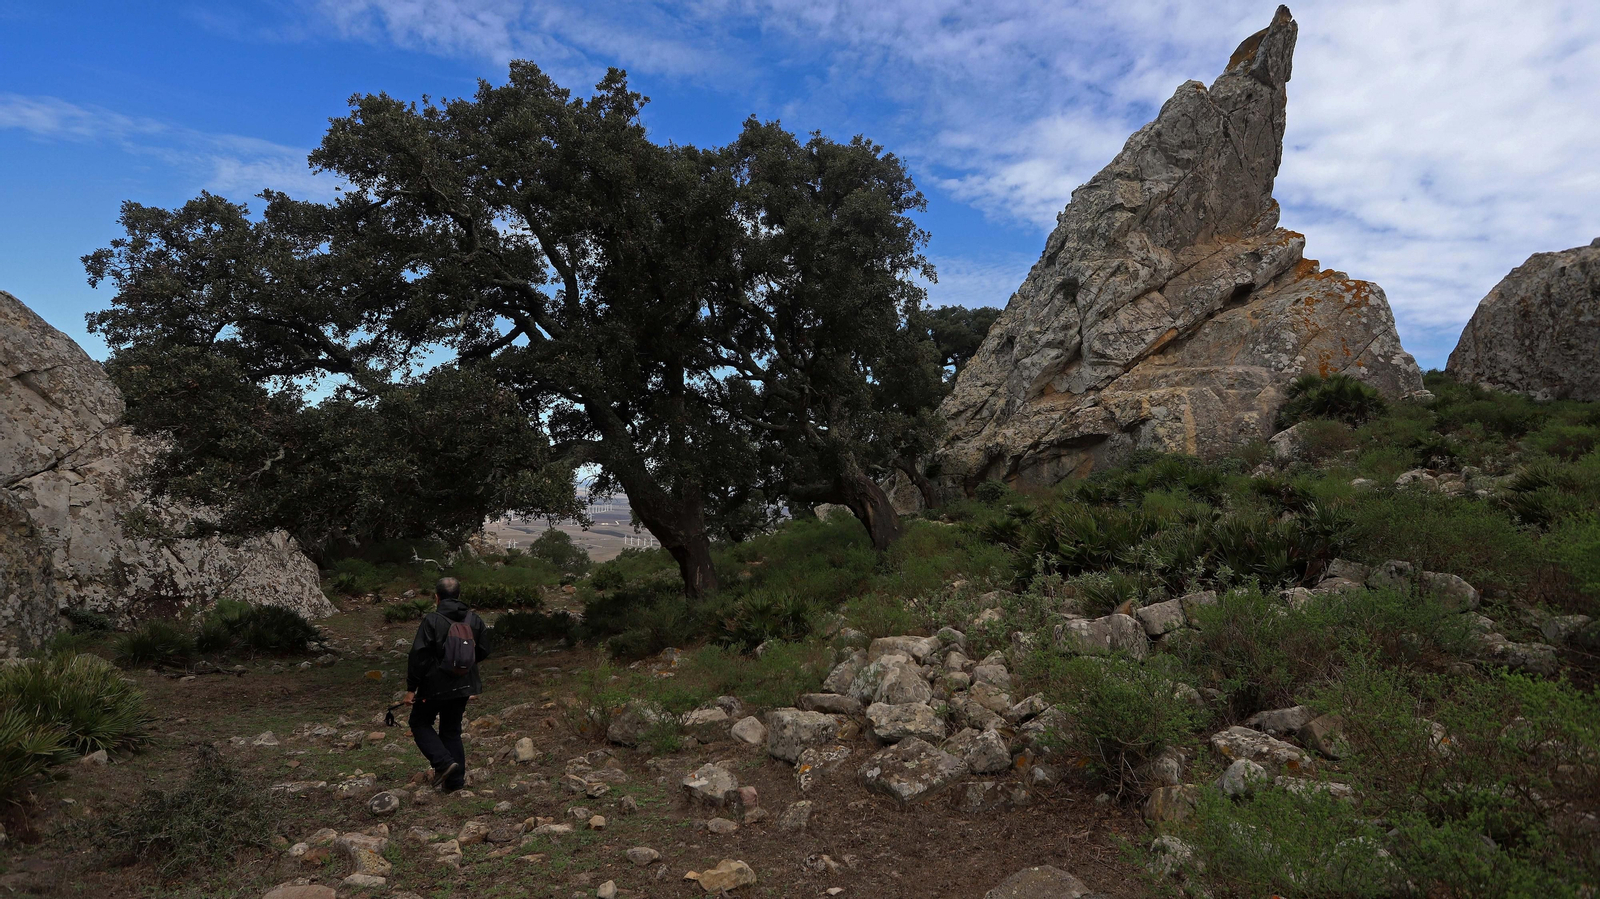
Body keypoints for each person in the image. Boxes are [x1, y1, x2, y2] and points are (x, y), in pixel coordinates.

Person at [404, 577, 490, 791]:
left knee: (419, 722)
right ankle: (454, 784)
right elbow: (484, 650)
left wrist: (411, 688)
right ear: (459, 595)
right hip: (464, 685)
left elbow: (419, 656)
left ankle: (443, 763)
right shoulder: (474, 619)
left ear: (437, 597)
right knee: (451, 730)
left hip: (434, 686)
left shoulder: (432, 620)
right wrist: (463, 667)